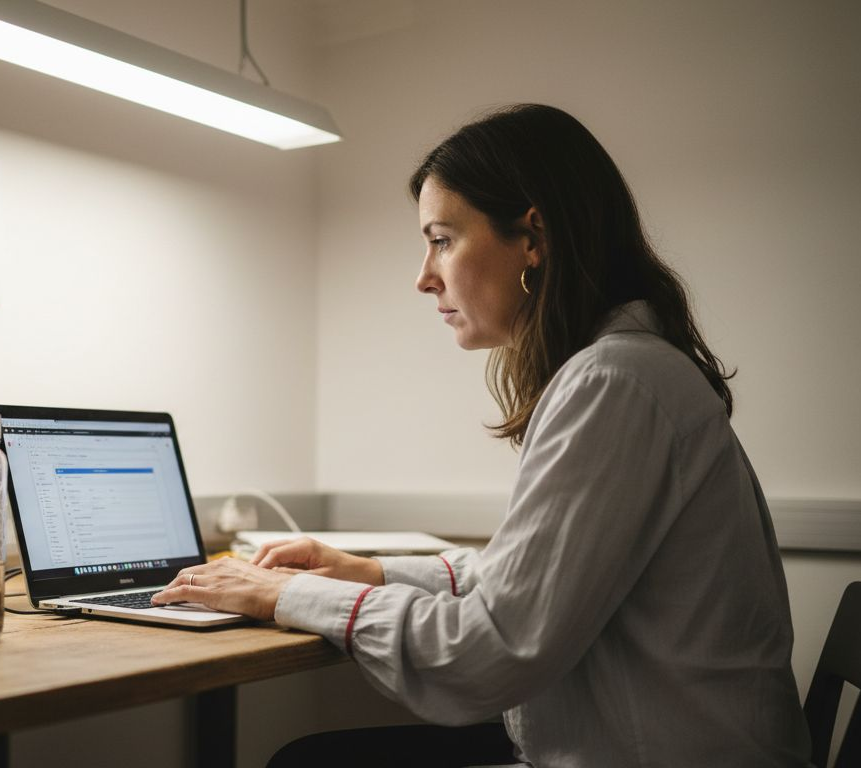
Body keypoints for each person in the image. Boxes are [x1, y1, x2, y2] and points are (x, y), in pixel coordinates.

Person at [152, 104, 813, 766]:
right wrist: (367, 572)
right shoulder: (627, 370)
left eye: (441, 239)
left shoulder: (613, 383)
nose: (423, 276)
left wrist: (286, 595)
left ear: (533, 238)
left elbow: (489, 651)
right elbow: (521, 582)